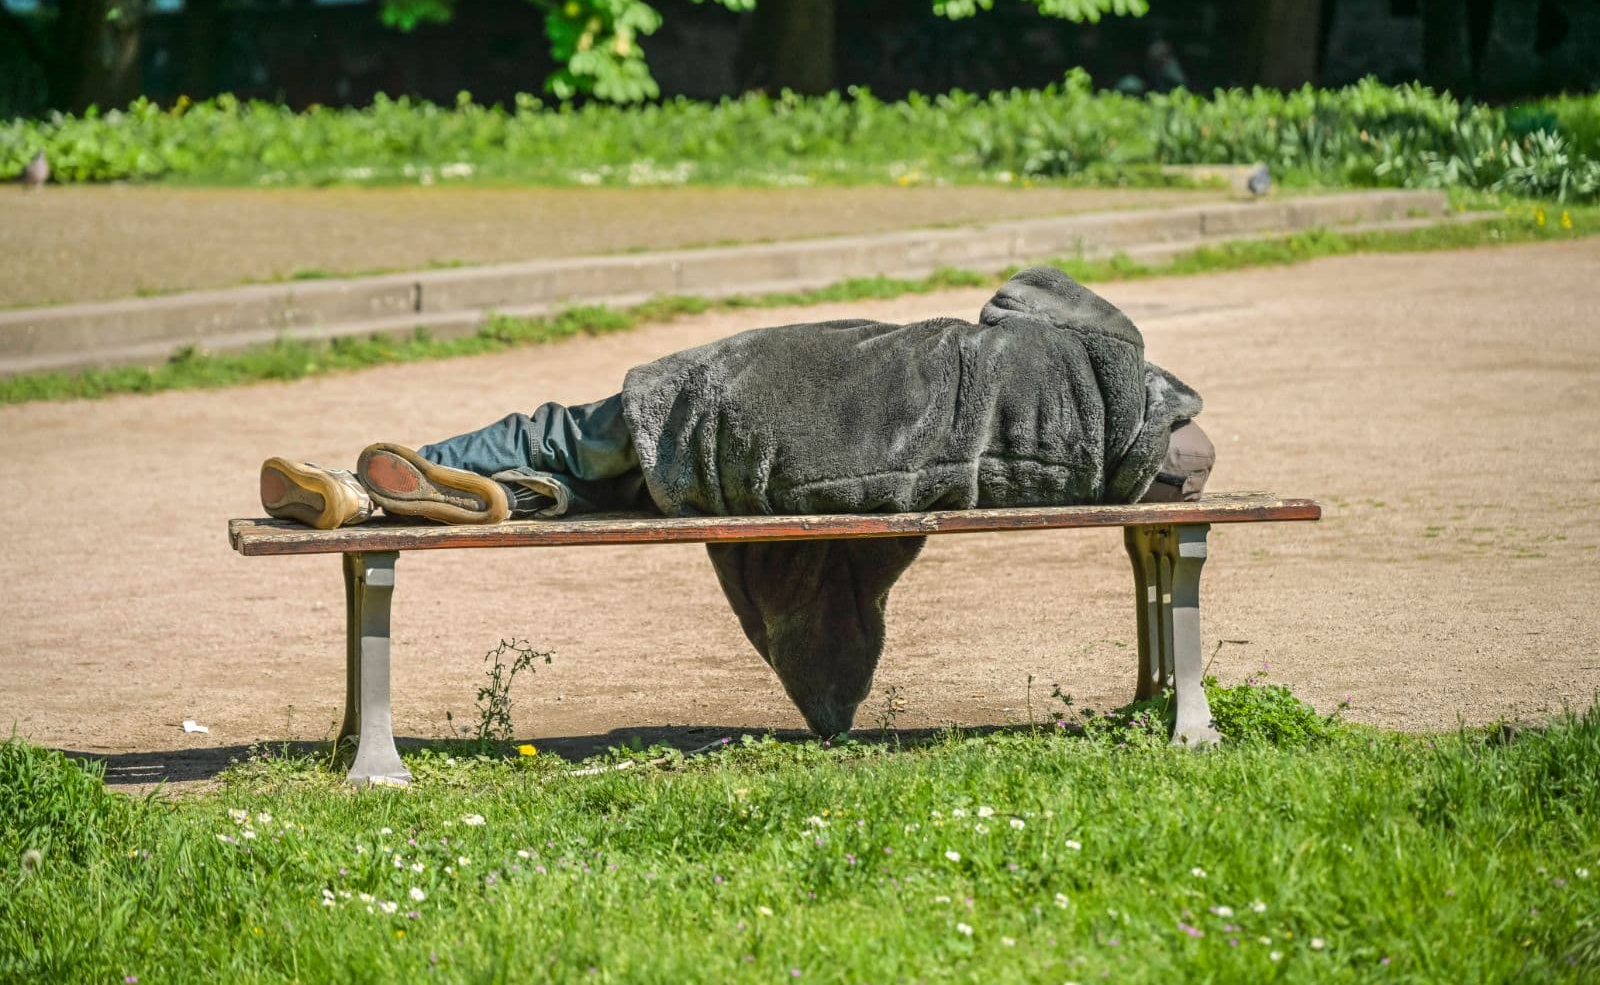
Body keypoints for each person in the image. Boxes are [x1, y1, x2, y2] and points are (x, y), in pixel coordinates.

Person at [258, 267, 1215, 736]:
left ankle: (377, 486)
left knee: (571, 431)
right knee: (618, 478)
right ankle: (496, 494)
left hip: (774, 391)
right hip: (785, 477)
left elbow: (1021, 293)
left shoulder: (1101, 358)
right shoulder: (1082, 469)